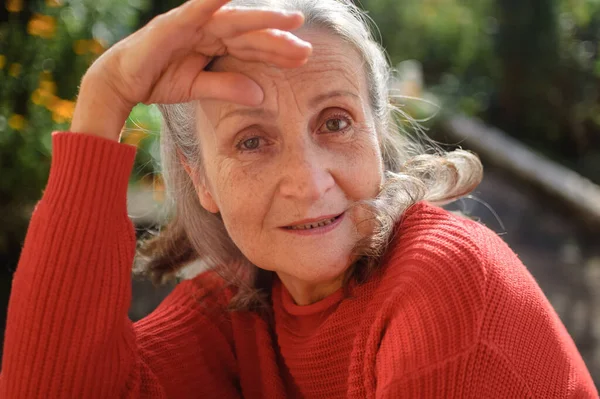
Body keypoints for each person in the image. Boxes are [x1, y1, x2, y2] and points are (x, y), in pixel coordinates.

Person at [1, 0, 597, 397]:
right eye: (252, 140)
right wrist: (105, 98)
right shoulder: (239, 307)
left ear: (375, 131)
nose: (310, 183)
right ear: (201, 179)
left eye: (335, 122)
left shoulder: (442, 279)